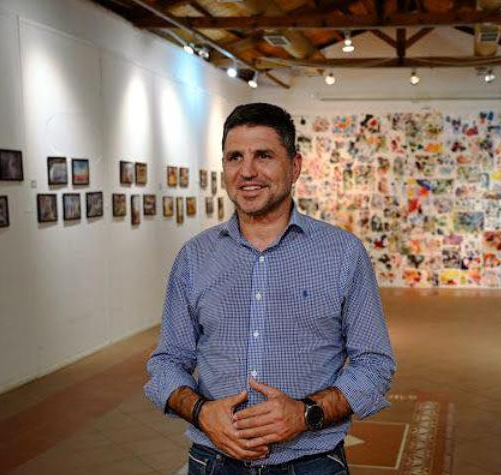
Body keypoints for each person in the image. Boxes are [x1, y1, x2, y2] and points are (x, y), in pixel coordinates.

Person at [144, 103, 396, 475]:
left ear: (295, 166)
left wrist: (306, 413)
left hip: (311, 464)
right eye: (235, 157)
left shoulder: (343, 253)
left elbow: (374, 365)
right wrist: (201, 412)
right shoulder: (195, 257)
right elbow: (167, 362)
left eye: (263, 155)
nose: (247, 171)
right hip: (214, 462)